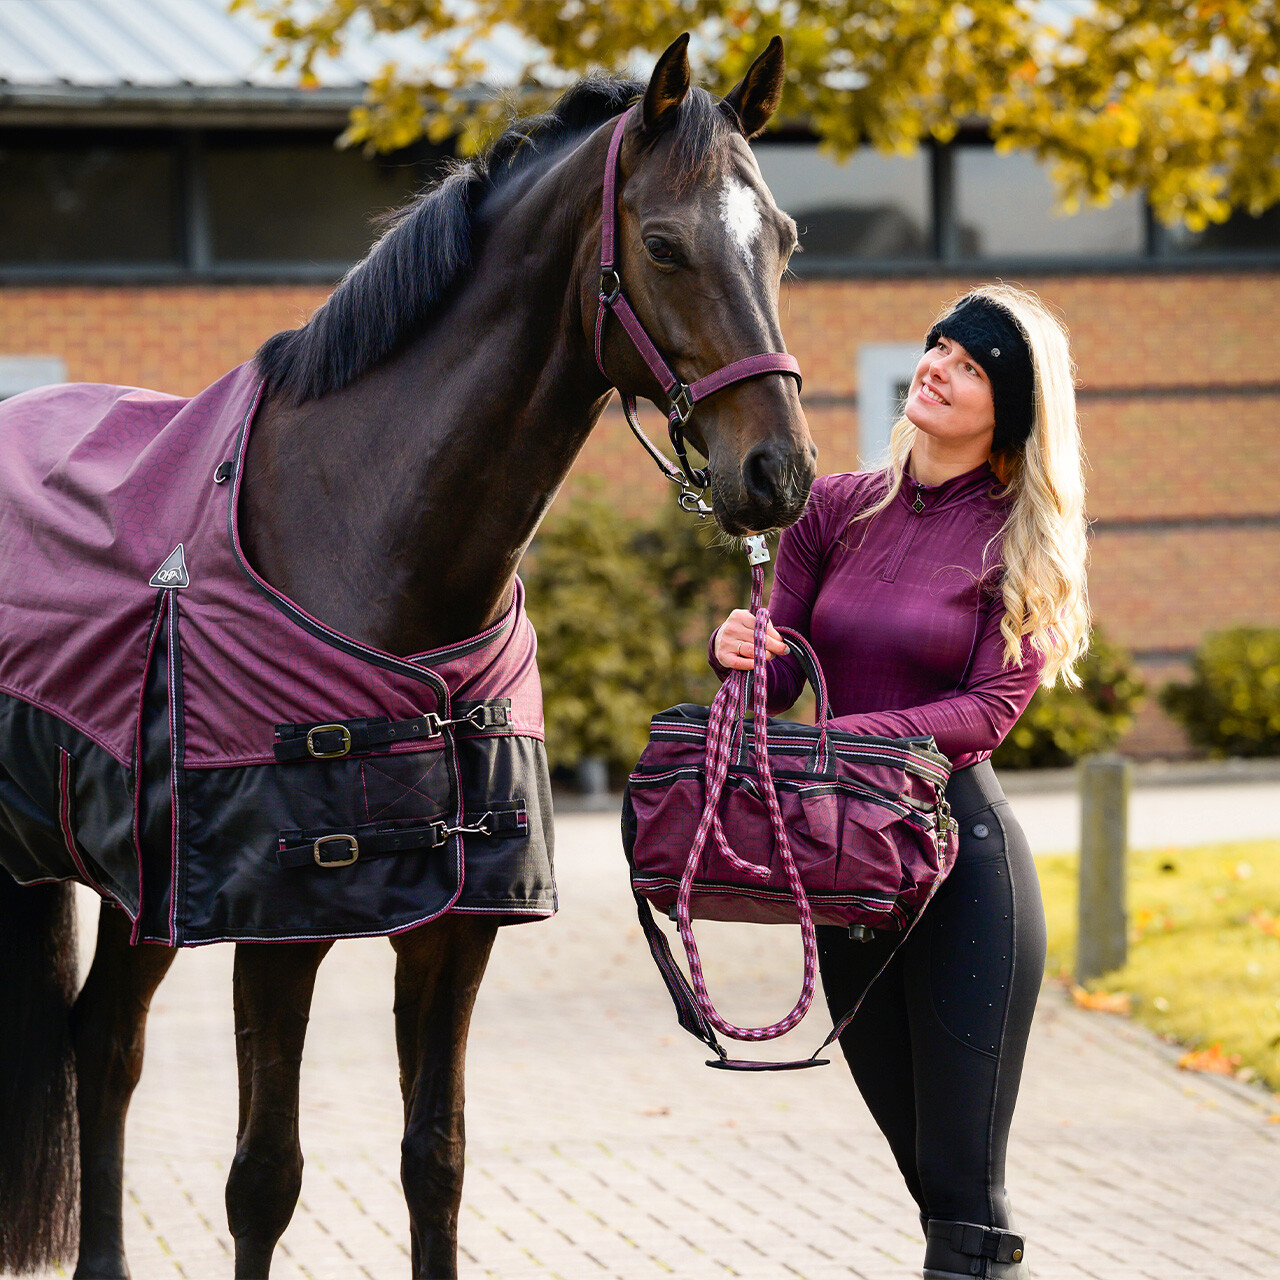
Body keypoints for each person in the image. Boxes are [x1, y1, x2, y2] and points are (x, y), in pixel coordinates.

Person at [711, 284, 1090, 1280]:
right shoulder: (833, 507)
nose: (936, 367)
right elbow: (787, 671)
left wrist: (854, 740)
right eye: (936, 347)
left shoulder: (1019, 536)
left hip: (960, 870)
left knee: (965, 1187)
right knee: (925, 1170)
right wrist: (745, 650)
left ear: (1006, 407)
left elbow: (985, 711)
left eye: (968, 365)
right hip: (848, 875)